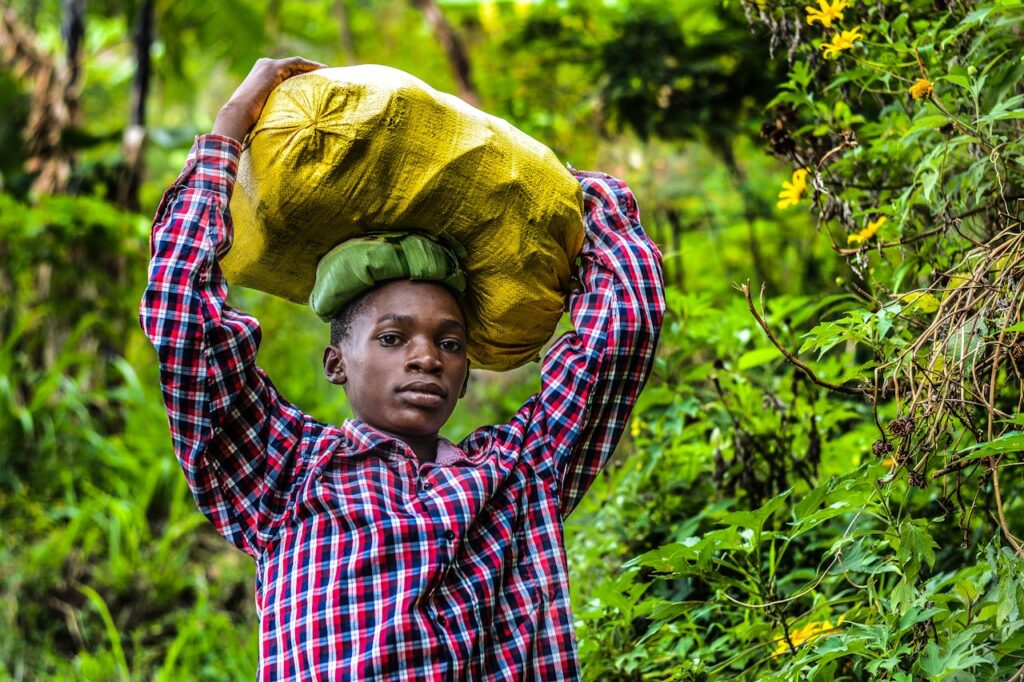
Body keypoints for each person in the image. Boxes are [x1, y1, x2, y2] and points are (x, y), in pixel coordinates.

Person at [140, 57, 665, 681]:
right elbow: (183, 321)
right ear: (336, 362)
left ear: (466, 374)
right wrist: (230, 128)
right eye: (392, 338)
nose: (425, 357)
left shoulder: (519, 475)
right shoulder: (286, 478)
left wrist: (561, 195)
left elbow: (624, 326)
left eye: (450, 344)